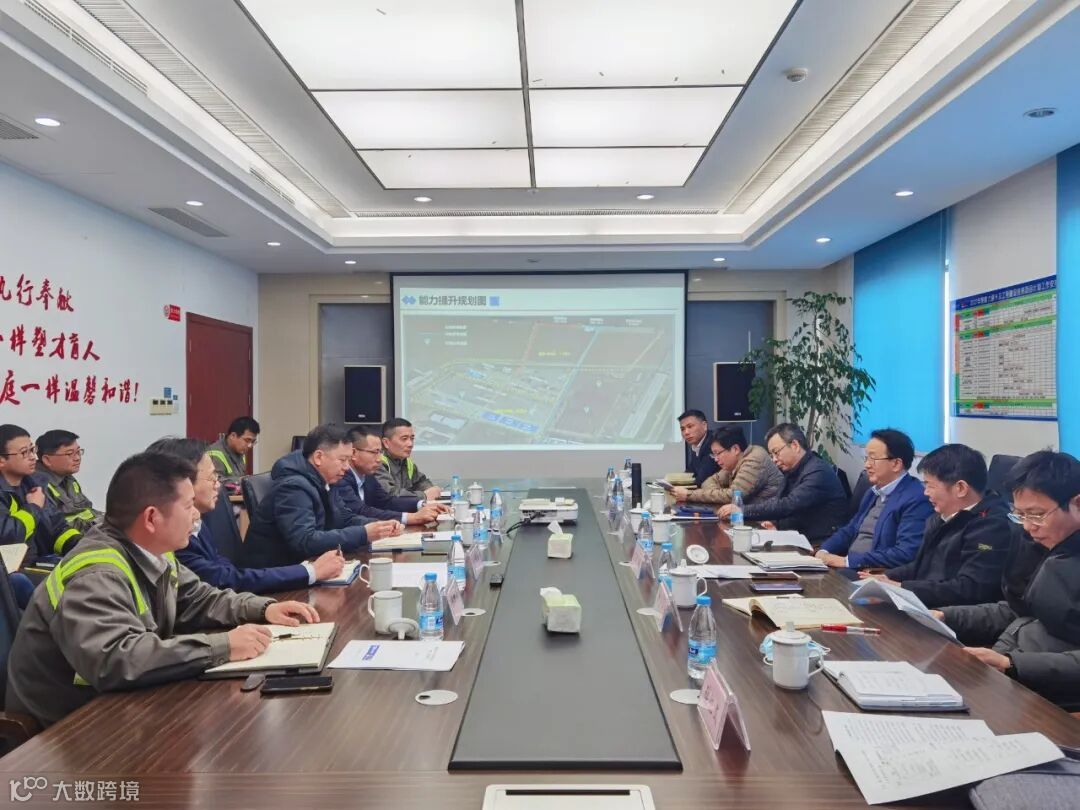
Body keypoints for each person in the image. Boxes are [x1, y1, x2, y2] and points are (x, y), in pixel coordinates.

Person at [5, 451, 319, 728]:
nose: (196, 515)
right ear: (152, 518)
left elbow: (199, 598)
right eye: (188, 506)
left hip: (120, 706)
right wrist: (222, 646)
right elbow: (117, 659)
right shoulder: (97, 573)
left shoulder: (153, 551)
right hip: (68, 729)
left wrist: (263, 608)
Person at [934, 451, 1080, 711]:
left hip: (1056, 699)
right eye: (1020, 515)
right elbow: (1018, 611)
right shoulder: (1043, 544)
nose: (1028, 526)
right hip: (1014, 674)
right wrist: (946, 616)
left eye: (1037, 514)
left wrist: (1012, 664)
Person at [149, 437, 345, 593]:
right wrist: (311, 572)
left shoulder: (197, 521)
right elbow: (222, 581)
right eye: (212, 477)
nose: (218, 485)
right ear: (182, 484)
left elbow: (223, 569)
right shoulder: (172, 536)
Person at [858, 443, 1011, 607]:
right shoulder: (941, 515)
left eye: (929, 486)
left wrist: (902, 588)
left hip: (951, 615)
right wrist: (887, 577)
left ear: (960, 488)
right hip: (925, 603)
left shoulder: (992, 528)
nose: (925, 492)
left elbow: (970, 588)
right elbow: (921, 566)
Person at [242, 424, 402, 568]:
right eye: (343, 460)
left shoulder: (327, 479)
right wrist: (363, 533)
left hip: (308, 565)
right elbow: (305, 541)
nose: (347, 467)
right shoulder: (293, 487)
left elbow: (345, 518)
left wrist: (380, 526)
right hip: (277, 574)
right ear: (319, 457)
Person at [815, 428, 933, 569]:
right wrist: (824, 550)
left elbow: (904, 553)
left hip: (872, 571)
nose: (867, 465)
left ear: (896, 464)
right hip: (849, 565)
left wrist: (847, 561)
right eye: (866, 458)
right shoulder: (873, 492)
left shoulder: (916, 498)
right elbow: (851, 529)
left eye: (873, 459)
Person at [718, 423, 847, 542]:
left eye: (776, 452)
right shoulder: (793, 470)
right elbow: (780, 502)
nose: (774, 459)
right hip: (800, 536)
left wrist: (742, 510)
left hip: (820, 544)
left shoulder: (818, 472)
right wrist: (776, 524)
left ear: (795, 445)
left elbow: (789, 504)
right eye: (771, 455)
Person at [0, 423, 81, 561]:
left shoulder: (35, 485)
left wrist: (80, 545)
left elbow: (57, 528)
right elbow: (7, 536)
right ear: (1, 460)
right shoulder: (14, 495)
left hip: (39, 563)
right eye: (24, 453)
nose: (33, 457)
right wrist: (33, 507)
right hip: (10, 569)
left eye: (32, 450)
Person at [334, 426, 443, 525]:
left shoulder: (367, 476)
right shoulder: (340, 477)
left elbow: (386, 501)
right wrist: (411, 518)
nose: (379, 459)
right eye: (374, 452)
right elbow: (360, 511)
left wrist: (421, 504)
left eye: (380, 452)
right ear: (353, 453)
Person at [671, 424, 783, 507]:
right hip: (745, 516)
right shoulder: (734, 462)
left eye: (718, 453)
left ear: (735, 449)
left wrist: (689, 495)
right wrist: (719, 495)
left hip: (764, 522)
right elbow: (708, 482)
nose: (716, 459)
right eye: (713, 454)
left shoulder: (754, 460)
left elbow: (733, 496)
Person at [36, 429, 101, 533]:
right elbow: (55, 526)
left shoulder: (68, 478)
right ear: (47, 460)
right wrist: (103, 524)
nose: (77, 458)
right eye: (70, 454)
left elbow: (87, 510)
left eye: (78, 452)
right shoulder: (38, 486)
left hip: (88, 534)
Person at [375, 418, 442, 501]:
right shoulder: (376, 463)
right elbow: (390, 495)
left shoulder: (406, 462)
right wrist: (424, 495)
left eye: (412, 438)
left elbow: (421, 482)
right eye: (404, 439)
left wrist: (432, 490)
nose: (410, 444)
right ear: (386, 443)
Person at [208, 416, 260, 488]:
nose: (250, 445)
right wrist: (240, 481)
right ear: (233, 436)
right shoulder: (214, 453)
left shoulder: (240, 451)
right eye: (247, 440)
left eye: (253, 442)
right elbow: (215, 483)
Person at [678, 409, 719, 487]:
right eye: (682, 429)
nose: (686, 432)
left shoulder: (714, 443)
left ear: (704, 425)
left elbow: (702, 479)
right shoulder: (696, 445)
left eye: (690, 426)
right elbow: (691, 472)